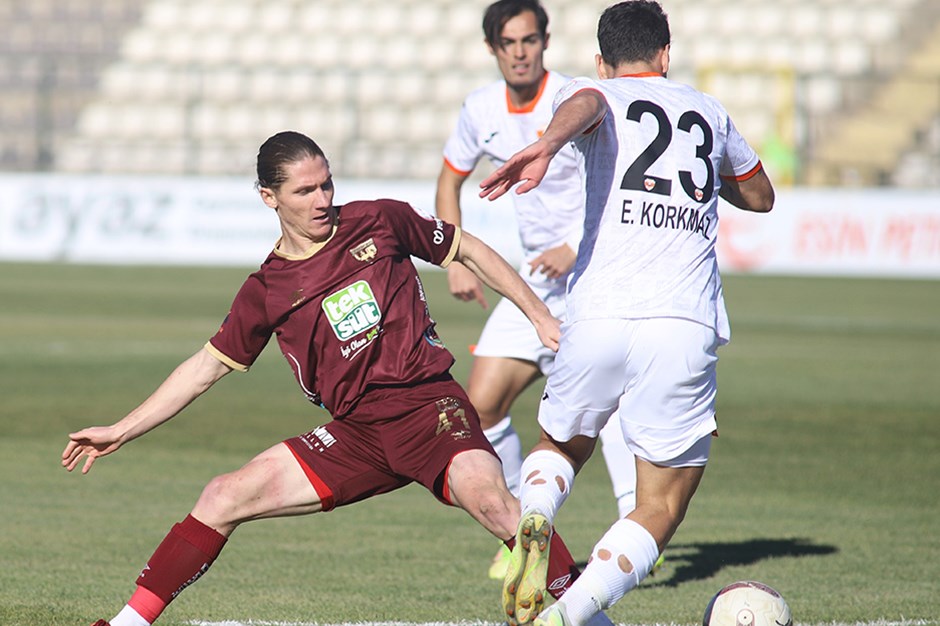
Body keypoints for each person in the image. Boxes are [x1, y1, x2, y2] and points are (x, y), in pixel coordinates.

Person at [62, 131, 587, 626]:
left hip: (428, 408)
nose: (322, 200)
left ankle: (592, 612)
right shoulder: (267, 288)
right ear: (270, 198)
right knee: (223, 495)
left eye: (327, 184)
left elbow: (467, 248)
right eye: (305, 190)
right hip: (355, 433)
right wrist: (120, 430)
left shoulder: (380, 220)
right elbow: (204, 370)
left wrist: (538, 315)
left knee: (496, 505)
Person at [478, 2, 776, 625]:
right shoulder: (708, 110)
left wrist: (549, 142)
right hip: (681, 322)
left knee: (560, 445)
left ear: (601, 62)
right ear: (666, 55)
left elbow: (585, 105)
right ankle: (572, 613)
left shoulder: (594, 94)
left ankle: (536, 510)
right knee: (660, 506)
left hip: (597, 314)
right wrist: (695, 179)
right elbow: (761, 195)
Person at [436, 0, 640, 583]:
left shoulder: (574, 102)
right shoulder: (480, 109)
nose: (520, 51)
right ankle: (522, 526)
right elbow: (449, 179)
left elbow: (621, 186)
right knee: (483, 405)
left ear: (545, 43)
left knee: (612, 408)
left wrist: (576, 249)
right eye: (509, 42)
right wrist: (456, 260)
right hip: (530, 285)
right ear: (493, 49)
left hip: (592, 275)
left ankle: (633, 526)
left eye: (530, 40)